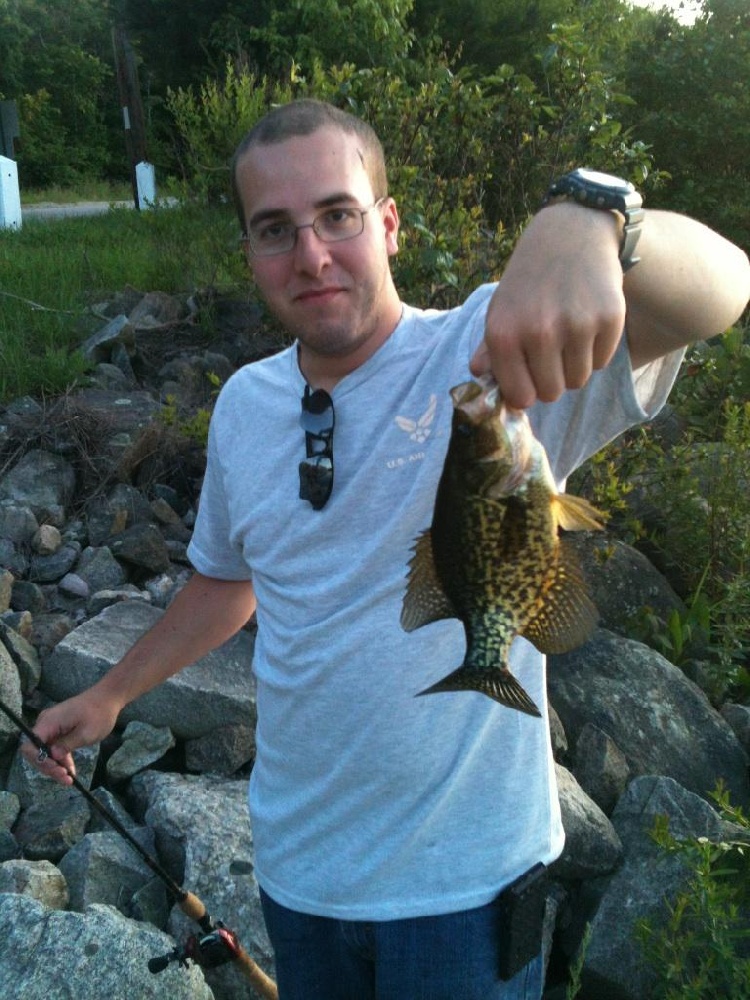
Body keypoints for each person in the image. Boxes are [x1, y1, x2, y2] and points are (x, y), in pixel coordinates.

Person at [23, 99, 749, 1000]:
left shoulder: (489, 351)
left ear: (391, 224)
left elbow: (724, 288)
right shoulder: (247, 407)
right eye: (275, 230)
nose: (313, 254)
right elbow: (227, 583)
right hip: (299, 873)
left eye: (338, 215)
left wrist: (591, 220)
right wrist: (108, 695)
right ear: (249, 253)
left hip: (467, 890)